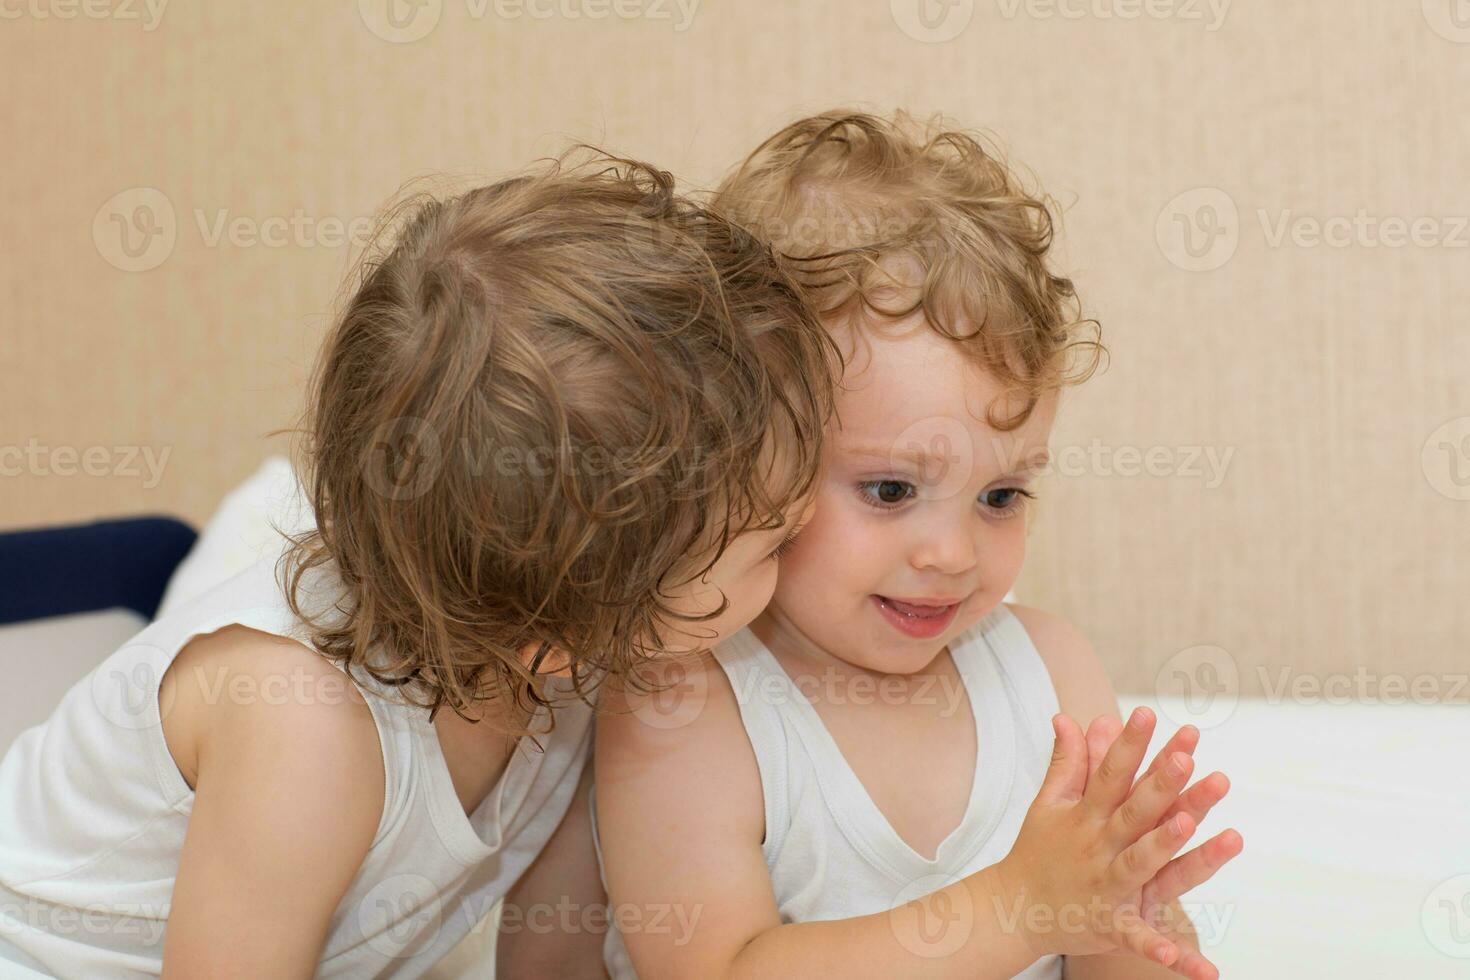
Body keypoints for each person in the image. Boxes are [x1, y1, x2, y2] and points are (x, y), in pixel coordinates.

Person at [0, 151, 836, 979]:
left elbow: (551, 959)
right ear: (555, 637)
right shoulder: (305, 731)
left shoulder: (582, 672)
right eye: (775, 540)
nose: (811, 528)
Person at [595, 112, 1243, 980]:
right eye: (891, 490)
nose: (953, 554)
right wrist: (1017, 908)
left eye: (1001, 495)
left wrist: (1139, 929)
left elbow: (1113, 937)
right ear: (751, 457)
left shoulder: (1049, 675)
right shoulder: (686, 702)